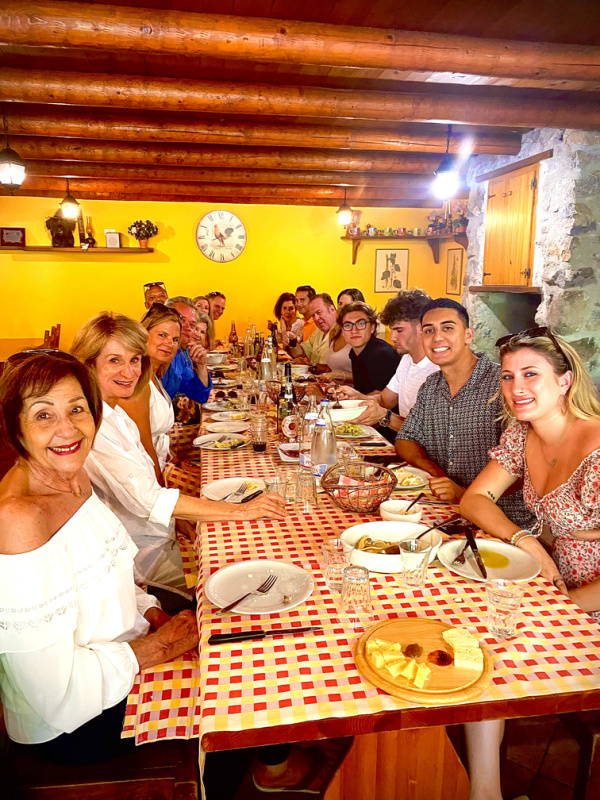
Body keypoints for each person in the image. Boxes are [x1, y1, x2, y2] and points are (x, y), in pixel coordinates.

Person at [0, 351, 198, 762]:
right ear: (14, 426)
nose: (67, 429)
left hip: (125, 652)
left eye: (77, 409)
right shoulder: (19, 519)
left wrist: (150, 612)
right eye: (43, 415)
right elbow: (52, 695)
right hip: (76, 722)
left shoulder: (74, 474)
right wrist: (157, 648)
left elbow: (113, 573)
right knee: (237, 688)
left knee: (239, 630)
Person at [71, 312, 286, 595]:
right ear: (88, 364)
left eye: (134, 360)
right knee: (257, 568)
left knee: (255, 540)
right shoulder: (94, 425)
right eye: (114, 361)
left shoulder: (113, 411)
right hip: (143, 553)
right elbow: (149, 500)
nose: (129, 372)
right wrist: (242, 510)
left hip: (159, 531)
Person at [396, 298, 534, 528]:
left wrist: (465, 493)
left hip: (502, 521)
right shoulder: (431, 385)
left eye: (448, 328)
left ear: (468, 335)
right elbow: (406, 438)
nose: (437, 337)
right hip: (447, 512)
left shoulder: (502, 383)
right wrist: (437, 475)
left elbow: (525, 466)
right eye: (429, 331)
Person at [337, 289, 438, 434]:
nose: (393, 338)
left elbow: (429, 434)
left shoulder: (437, 369)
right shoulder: (407, 360)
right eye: (392, 330)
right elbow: (385, 399)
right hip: (403, 447)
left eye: (399, 330)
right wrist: (357, 397)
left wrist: (386, 417)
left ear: (422, 327)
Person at [119, 303, 181, 482]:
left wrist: (178, 462)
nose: (169, 343)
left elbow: (158, 441)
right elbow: (144, 447)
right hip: (145, 477)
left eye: (175, 339)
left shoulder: (154, 376)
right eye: (163, 335)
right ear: (143, 335)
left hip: (162, 465)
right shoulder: (138, 384)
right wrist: (161, 486)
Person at [337, 301, 400, 396]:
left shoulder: (382, 354)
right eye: (348, 325)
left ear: (372, 328)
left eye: (361, 323)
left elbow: (381, 396)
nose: (354, 330)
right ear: (342, 332)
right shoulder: (354, 352)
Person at [161, 296, 212, 405]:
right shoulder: (153, 352)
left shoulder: (180, 356)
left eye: (192, 324)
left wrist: (202, 366)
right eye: (181, 320)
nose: (187, 327)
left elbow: (200, 396)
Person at [289, 293, 338, 367]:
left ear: (332, 309)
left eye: (319, 312)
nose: (316, 318)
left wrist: (311, 366)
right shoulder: (319, 331)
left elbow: (336, 367)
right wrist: (292, 340)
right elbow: (300, 352)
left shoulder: (342, 331)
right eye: (313, 315)